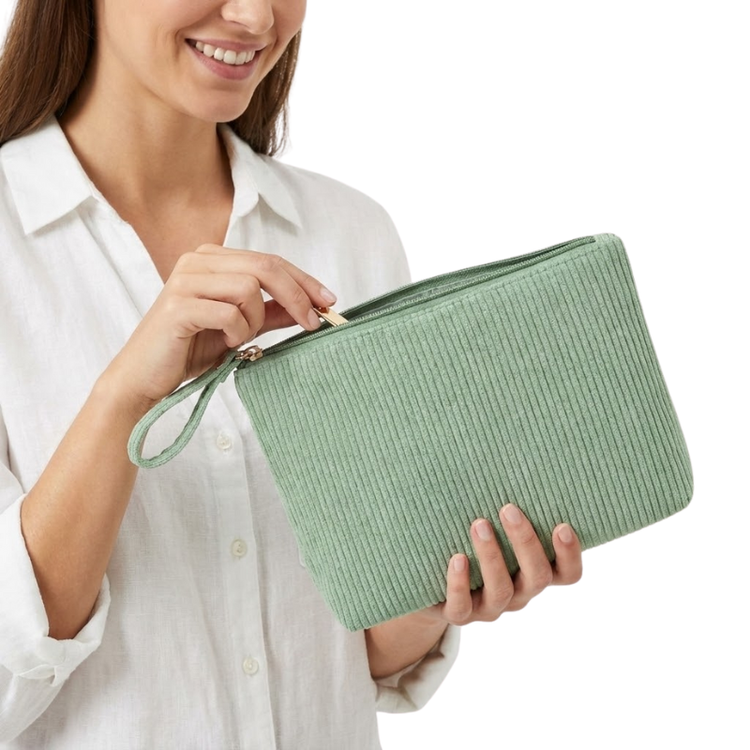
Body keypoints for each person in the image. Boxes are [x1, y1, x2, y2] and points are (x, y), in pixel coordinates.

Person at [0, 1, 584, 747]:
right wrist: (125, 397)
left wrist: (437, 595)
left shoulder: (350, 231)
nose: (254, 16)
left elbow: (357, 652)